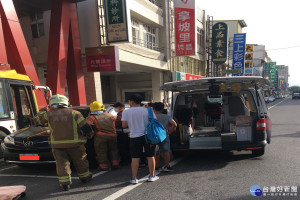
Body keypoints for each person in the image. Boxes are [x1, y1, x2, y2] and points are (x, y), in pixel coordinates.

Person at [38, 94, 93, 191]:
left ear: (52, 103)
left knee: (61, 164)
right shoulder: (75, 113)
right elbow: (85, 127)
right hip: (75, 144)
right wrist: (90, 134)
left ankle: (64, 183)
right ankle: (85, 177)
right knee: (80, 161)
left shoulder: (48, 114)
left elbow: (37, 120)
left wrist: (43, 109)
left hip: (57, 145)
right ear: (65, 102)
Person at [121, 94, 159, 184]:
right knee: (150, 156)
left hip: (134, 136)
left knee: (135, 157)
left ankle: (134, 178)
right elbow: (155, 121)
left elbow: (124, 125)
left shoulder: (126, 112)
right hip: (148, 136)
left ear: (132, 102)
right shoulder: (148, 110)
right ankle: (152, 176)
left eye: (129, 101)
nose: (128, 103)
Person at [86, 101, 119, 171]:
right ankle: (115, 164)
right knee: (113, 150)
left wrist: (90, 135)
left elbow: (87, 127)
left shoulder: (91, 117)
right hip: (113, 135)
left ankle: (103, 166)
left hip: (101, 137)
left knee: (101, 152)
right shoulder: (110, 115)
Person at [152, 102, 177, 172]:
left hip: (153, 135)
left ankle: (157, 166)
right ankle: (167, 166)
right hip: (164, 134)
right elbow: (174, 124)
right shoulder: (167, 116)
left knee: (156, 151)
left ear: (153, 108)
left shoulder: (151, 117)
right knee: (166, 151)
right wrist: (169, 132)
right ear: (163, 109)